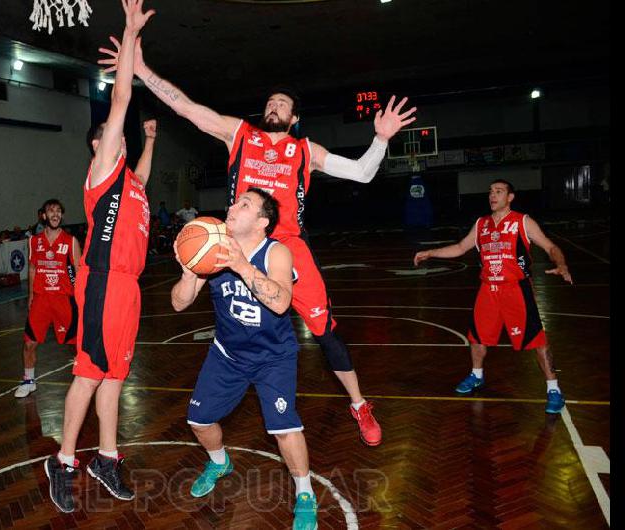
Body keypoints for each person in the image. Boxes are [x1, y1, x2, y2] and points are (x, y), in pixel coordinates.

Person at [99, 37, 417, 446]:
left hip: (288, 245)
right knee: (220, 313)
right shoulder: (240, 135)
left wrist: (381, 139)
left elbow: (361, 173)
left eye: (282, 103)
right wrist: (142, 71)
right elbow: (189, 109)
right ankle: (226, 387)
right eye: (270, 101)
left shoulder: (305, 150)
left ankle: (358, 403)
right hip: (236, 240)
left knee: (324, 329)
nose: (274, 106)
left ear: (294, 117)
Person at [44, 0, 157, 514]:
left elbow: (145, 176)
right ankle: (63, 460)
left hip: (128, 288)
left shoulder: (130, 183)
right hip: (102, 283)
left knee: (115, 376)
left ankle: (106, 458)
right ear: (99, 148)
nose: (118, 141)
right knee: (89, 374)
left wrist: (151, 141)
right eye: (110, 139)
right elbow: (123, 97)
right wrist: (131, 34)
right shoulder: (102, 170)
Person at [171, 188, 317, 529]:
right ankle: (219, 462)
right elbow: (178, 303)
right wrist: (189, 272)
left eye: (244, 204)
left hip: (273, 357)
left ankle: (305, 493)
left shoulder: (276, 252)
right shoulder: (213, 249)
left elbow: (280, 303)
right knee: (199, 420)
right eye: (235, 202)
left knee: (285, 428)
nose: (232, 207)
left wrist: (240, 265)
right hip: (228, 354)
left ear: (263, 222)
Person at [413, 179, 573, 414]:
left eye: (499, 191)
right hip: (488, 290)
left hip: (516, 290)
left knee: (537, 341)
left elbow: (550, 247)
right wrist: (430, 252)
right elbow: (460, 247)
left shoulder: (522, 221)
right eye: (490, 192)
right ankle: (476, 375)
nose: (493, 195)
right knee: (477, 337)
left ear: (510, 198)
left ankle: (553, 390)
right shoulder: (481, 224)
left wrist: (561, 264)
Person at [14, 198, 82, 398]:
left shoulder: (71, 241)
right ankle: (28, 381)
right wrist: (30, 296)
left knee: (76, 344)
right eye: (51, 211)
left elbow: (78, 272)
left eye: (58, 211)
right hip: (42, 299)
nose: (55, 214)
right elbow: (33, 268)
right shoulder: (34, 241)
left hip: (64, 299)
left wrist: (81, 299)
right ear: (43, 215)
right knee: (29, 343)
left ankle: (83, 381)